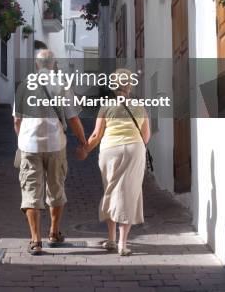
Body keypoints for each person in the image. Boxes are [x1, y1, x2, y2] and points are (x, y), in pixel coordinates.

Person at [13, 49, 87, 255]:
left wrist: (22, 139)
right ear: (53, 64)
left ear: (37, 64)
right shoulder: (62, 83)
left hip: (29, 144)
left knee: (30, 191)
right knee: (56, 188)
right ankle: (54, 232)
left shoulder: (24, 85)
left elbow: (17, 120)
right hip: (56, 144)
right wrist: (84, 142)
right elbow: (73, 118)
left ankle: (35, 240)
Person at [77, 69, 150, 256]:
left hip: (110, 151)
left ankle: (111, 239)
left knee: (111, 190)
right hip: (134, 149)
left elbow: (96, 135)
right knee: (128, 194)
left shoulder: (106, 107)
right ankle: (122, 244)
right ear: (130, 86)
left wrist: (85, 150)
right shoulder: (139, 107)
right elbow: (146, 136)